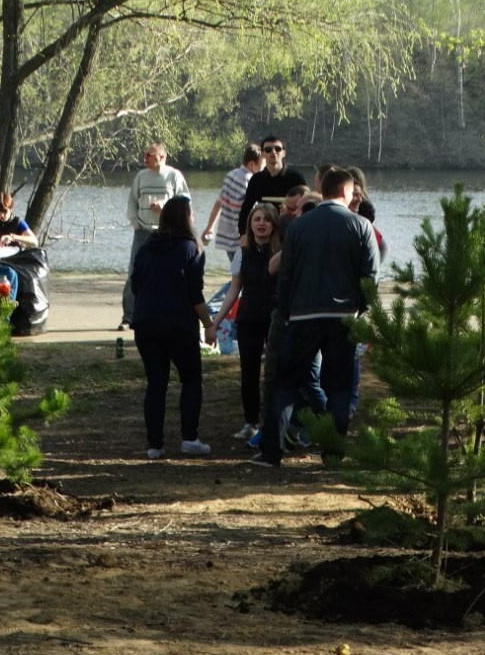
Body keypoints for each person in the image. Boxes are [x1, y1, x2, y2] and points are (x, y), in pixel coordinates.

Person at [251, 166, 379, 468]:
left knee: (285, 384)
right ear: (347, 192)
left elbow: (287, 274)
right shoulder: (361, 226)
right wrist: (359, 310)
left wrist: (286, 311)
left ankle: (271, 452)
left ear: (323, 192)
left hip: (303, 316)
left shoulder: (299, 226)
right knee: (339, 388)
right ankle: (333, 453)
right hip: (343, 317)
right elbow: (369, 278)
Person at [130, 195, 213, 460]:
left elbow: (135, 285)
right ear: (186, 217)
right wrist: (209, 325)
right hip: (178, 323)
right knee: (190, 380)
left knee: (156, 383)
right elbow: (195, 294)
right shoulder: (191, 248)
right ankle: (189, 438)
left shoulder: (146, 247)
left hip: (145, 322)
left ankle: (155, 445)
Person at [207, 203, 281, 440]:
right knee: (249, 372)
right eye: (256, 219)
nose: (261, 224)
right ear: (250, 224)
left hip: (276, 317)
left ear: (274, 224)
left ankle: (276, 421)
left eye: (266, 220)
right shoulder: (242, 253)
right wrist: (215, 322)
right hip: (249, 317)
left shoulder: (282, 253)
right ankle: (251, 422)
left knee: (276, 371)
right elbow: (233, 291)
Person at [121, 143, 190, 329]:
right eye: (144, 154)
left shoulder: (173, 176)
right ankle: (129, 317)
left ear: (161, 157)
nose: (145, 157)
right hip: (143, 231)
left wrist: (165, 206)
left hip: (167, 233)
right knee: (134, 273)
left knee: (169, 273)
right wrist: (135, 222)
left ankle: (168, 314)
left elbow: (185, 201)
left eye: (149, 154)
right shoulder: (141, 177)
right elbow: (131, 202)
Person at [202, 143, 261, 260]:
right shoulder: (251, 180)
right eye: (262, 166)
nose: (263, 169)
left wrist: (209, 227)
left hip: (227, 239)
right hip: (242, 237)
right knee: (246, 272)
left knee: (236, 270)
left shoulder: (230, 175)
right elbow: (252, 210)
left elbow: (219, 203)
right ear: (252, 164)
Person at [238, 134, 307, 232]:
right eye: (268, 149)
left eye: (278, 149)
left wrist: (290, 210)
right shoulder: (256, 179)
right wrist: (243, 234)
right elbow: (246, 209)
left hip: (290, 230)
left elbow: (306, 209)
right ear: (262, 154)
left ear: (284, 153)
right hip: (264, 231)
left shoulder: (296, 178)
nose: (273, 152)